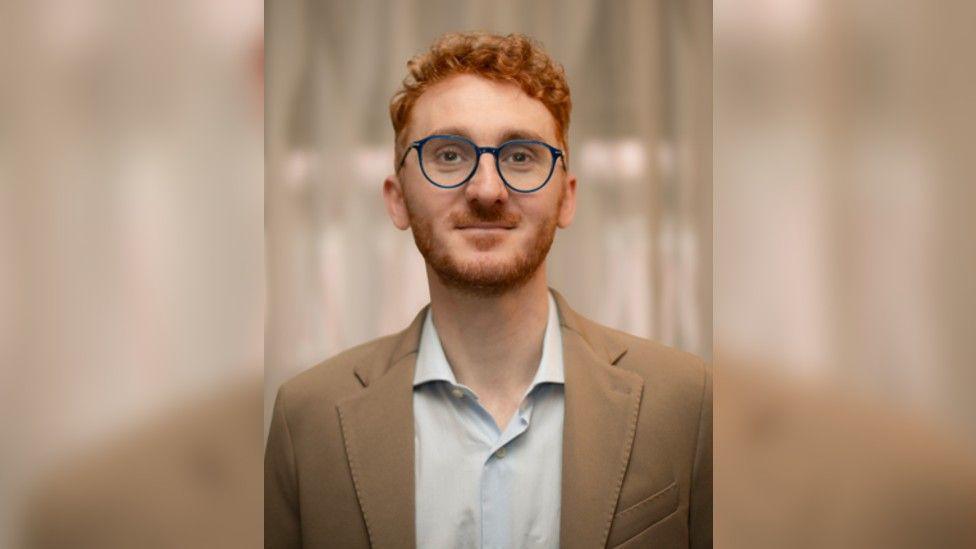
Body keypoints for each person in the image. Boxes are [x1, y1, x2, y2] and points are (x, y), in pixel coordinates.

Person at [265, 31, 711, 549]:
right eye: (448, 155)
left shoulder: (685, 402)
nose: (487, 190)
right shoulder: (306, 420)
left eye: (521, 156)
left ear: (566, 198)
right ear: (397, 200)